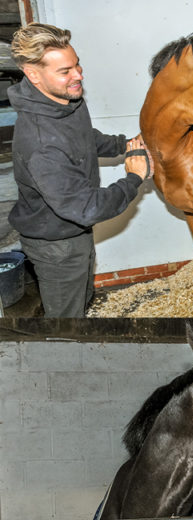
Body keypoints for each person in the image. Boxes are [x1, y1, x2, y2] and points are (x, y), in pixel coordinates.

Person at [8, 22, 151, 318]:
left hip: (74, 231)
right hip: (55, 244)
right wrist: (134, 178)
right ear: (33, 75)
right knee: (65, 325)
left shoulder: (64, 99)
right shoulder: (41, 143)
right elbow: (87, 207)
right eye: (65, 71)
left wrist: (124, 144)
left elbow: (86, 138)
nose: (78, 76)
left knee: (82, 298)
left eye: (77, 65)